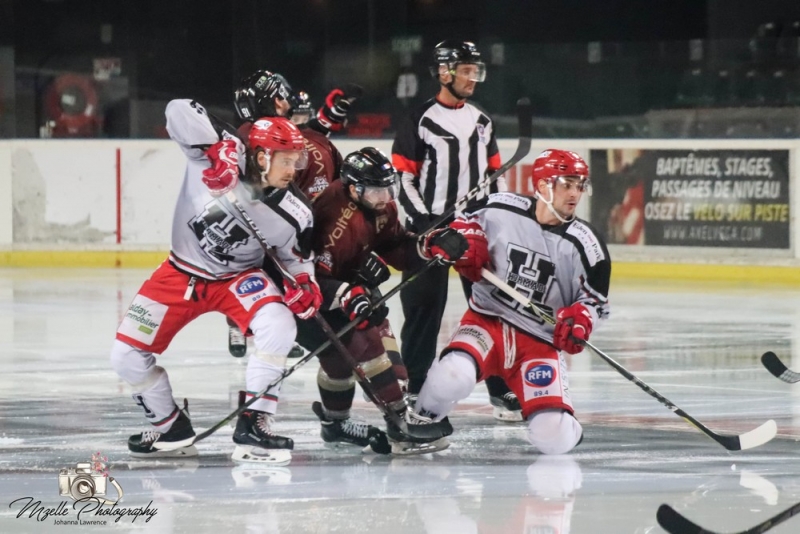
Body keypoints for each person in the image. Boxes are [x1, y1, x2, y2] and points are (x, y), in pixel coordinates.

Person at [110, 100, 320, 466]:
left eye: (296, 160)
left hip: (238, 279)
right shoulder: (224, 151)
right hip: (179, 272)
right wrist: (215, 152)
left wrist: (306, 283)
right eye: (285, 160)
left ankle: (255, 421)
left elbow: (296, 258)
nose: (293, 169)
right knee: (126, 357)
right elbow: (177, 109)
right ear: (261, 157)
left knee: (279, 325)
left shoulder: (295, 210)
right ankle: (170, 426)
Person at [415, 149, 611, 455]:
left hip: (538, 341)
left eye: (579, 185)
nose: (575, 193)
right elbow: (448, 231)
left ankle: (566, 427)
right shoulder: (498, 207)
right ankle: (422, 421)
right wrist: (454, 241)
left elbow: (596, 303)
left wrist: (582, 320)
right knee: (451, 376)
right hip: (486, 322)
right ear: (543, 185)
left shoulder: (587, 246)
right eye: (567, 184)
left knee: (553, 438)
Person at [297, 147, 468, 454]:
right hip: (309, 302)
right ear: (352, 188)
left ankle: (335, 424)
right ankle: (400, 423)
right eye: (376, 190)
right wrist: (346, 292)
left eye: (388, 188)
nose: (385, 197)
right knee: (367, 345)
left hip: (351, 291)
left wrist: (425, 246)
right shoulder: (330, 216)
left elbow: (395, 247)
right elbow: (307, 277)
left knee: (372, 366)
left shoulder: (381, 208)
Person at [391, 40, 520, 420]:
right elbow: (403, 180)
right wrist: (426, 228)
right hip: (428, 230)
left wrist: (499, 222)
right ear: (444, 72)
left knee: (492, 308)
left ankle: (501, 390)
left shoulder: (482, 121)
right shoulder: (420, 119)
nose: (472, 78)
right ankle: (416, 389)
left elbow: (495, 179)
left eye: (474, 70)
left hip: (476, 229)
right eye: (465, 70)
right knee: (422, 313)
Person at [226, 71, 351, 358]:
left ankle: (258, 329)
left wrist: (329, 116)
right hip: (260, 234)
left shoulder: (258, 131)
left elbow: (309, 136)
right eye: (279, 98)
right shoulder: (250, 137)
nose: (286, 104)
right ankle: (244, 324)